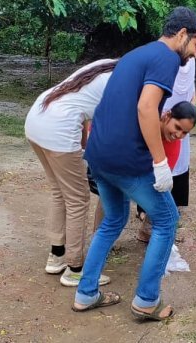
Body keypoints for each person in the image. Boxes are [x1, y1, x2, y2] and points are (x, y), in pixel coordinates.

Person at [73, 6, 196, 321]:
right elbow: (147, 107)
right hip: (125, 157)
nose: (194, 56)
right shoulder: (167, 57)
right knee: (166, 219)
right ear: (182, 34)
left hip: (99, 154)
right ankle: (147, 300)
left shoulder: (137, 54)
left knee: (113, 220)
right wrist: (160, 162)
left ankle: (86, 293)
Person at [24, 58, 118, 287]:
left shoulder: (103, 65)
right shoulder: (121, 81)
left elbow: (86, 112)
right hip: (59, 130)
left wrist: (84, 146)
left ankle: (56, 256)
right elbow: (107, 123)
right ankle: (75, 268)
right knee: (78, 200)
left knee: (59, 192)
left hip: (36, 120)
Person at [136, 59, 196, 243]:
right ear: (167, 115)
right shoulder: (146, 123)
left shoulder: (175, 143)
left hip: (148, 171)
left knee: (164, 202)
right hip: (127, 165)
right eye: (177, 128)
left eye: (184, 132)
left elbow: (162, 177)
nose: (178, 135)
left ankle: (147, 230)